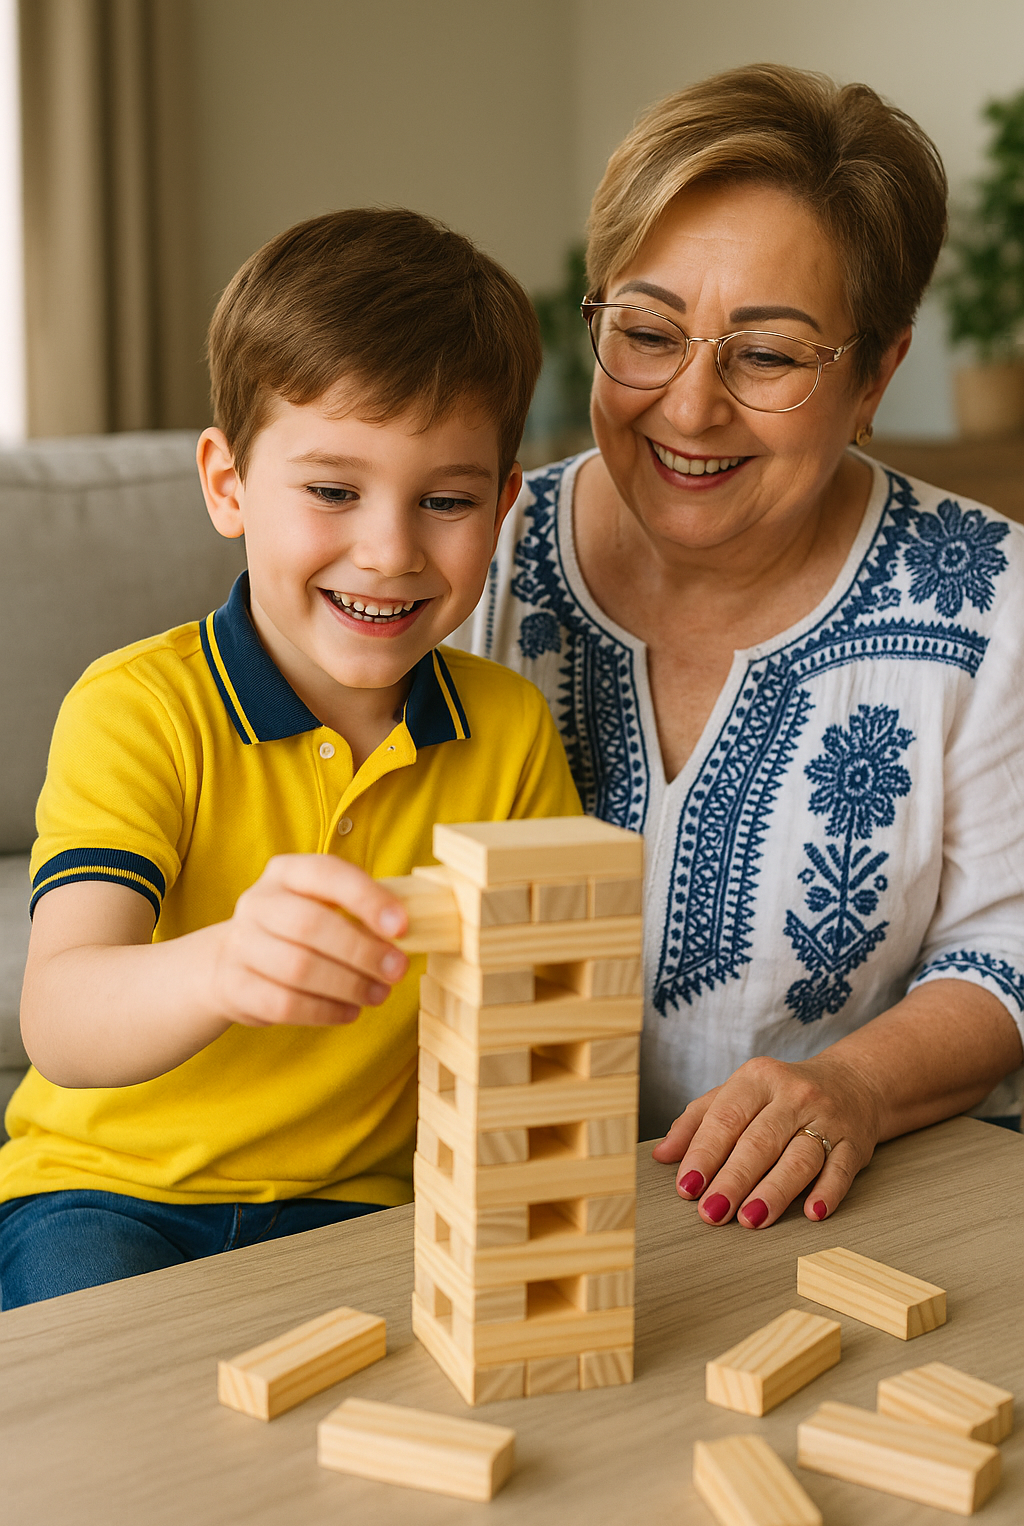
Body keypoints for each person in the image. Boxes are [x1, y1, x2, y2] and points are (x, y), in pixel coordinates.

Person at [457, 64, 1024, 1231]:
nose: (689, 406)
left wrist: (855, 1084)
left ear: (874, 375)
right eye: (649, 333)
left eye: (765, 356)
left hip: (843, 1205)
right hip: (501, 1197)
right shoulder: (471, 553)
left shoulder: (994, 599)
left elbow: (1007, 949)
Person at [0, 208, 581, 1308]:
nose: (390, 550)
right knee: (90, 1431)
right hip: (109, 1192)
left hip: (360, 1202)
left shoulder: (506, 732)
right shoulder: (139, 710)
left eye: (445, 500)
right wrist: (223, 966)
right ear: (227, 484)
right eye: (332, 490)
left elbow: (529, 1016)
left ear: (504, 507)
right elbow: (61, 1017)